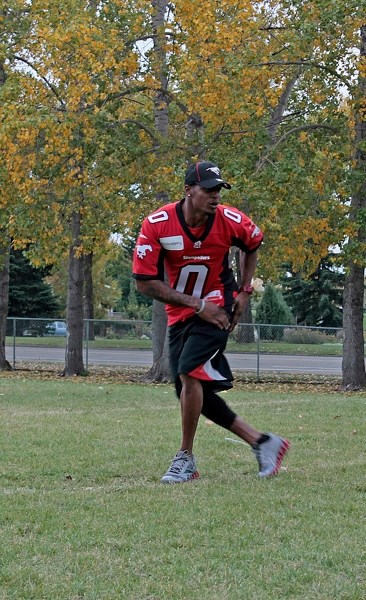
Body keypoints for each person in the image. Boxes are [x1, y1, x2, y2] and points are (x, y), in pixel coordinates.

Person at [132, 161, 290, 483]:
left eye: (219, 190)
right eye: (208, 189)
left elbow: (252, 244)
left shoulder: (230, 220)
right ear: (189, 190)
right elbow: (144, 282)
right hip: (183, 312)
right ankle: (263, 443)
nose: (215, 196)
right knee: (188, 389)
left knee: (190, 372)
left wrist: (244, 291)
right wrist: (195, 304)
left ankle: (185, 459)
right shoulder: (157, 224)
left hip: (219, 306)